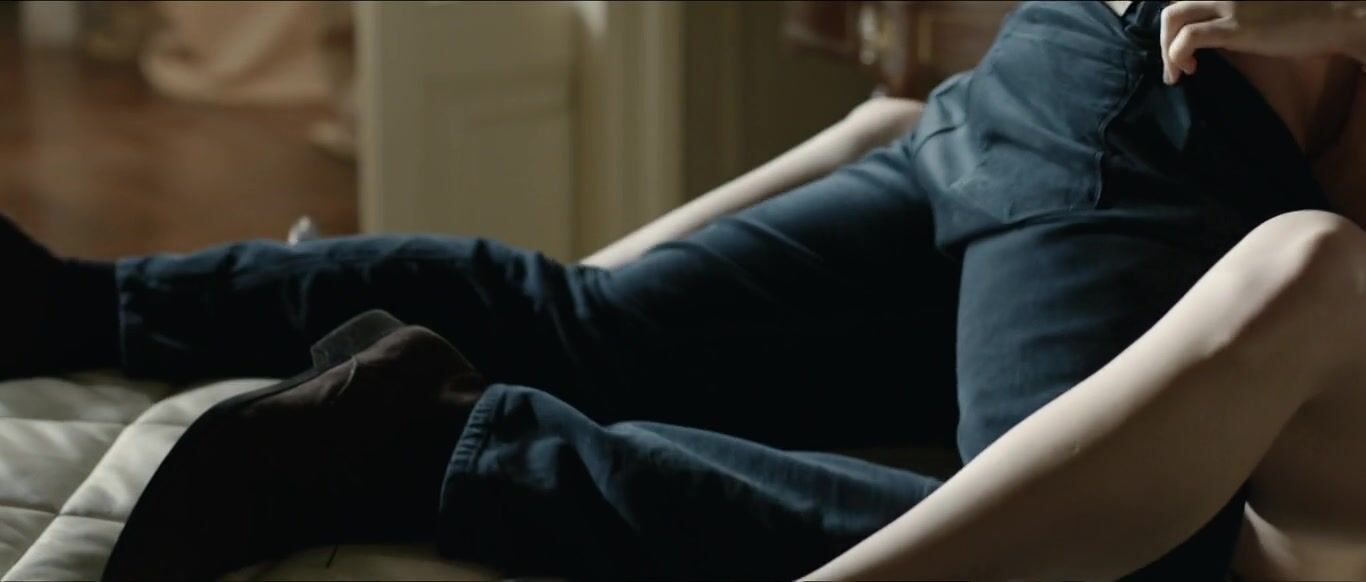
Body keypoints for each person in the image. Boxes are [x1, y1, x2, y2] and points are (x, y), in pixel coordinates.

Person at [4, 0, 1364, 578]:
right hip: (1176, 128)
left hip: (1074, 69)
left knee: (589, 322)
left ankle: (75, 304)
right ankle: (432, 445)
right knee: (1111, 550)